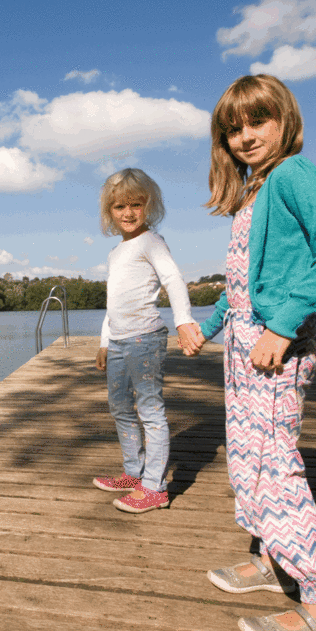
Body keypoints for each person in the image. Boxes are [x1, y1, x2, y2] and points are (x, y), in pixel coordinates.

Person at [182, 74, 316, 631]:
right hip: (243, 346)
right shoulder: (255, 190)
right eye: (234, 129)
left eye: (258, 121)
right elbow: (239, 286)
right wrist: (205, 330)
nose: (246, 136)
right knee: (248, 459)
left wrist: (282, 326)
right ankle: (268, 559)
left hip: (275, 348)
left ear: (284, 120)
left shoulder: (294, 175)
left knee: (273, 467)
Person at [93, 168, 202, 514]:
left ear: (148, 206)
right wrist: (104, 341)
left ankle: (155, 487)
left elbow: (173, 279)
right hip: (119, 342)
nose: (127, 213)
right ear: (109, 212)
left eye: (135, 205)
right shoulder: (115, 253)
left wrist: (183, 321)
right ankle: (133, 473)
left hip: (145, 339)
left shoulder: (151, 241)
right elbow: (114, 304)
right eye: (119, 207)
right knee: (120, 408)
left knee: (150, 411)